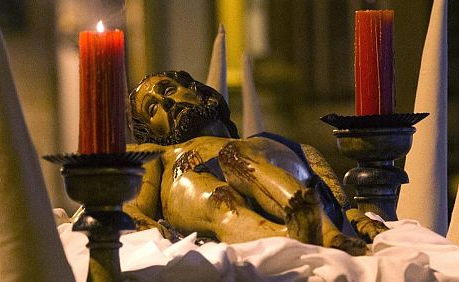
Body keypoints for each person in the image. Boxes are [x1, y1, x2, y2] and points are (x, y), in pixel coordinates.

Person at [126, 70, 386, 254]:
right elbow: (136, 208)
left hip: (253, 160)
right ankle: (292, 235)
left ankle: (328, 234)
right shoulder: (158, 154)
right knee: (220, 202)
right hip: (189, 176)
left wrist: (356, 218)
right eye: (153, 109)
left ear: (194, 90)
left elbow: (337, 200)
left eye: (168, 90)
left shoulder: (276, 143)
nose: (167, 103)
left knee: (237, 156)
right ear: (152, 131)